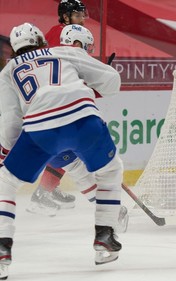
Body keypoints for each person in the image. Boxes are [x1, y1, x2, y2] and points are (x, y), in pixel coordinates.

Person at [0, 22, 123, 278]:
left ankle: (2, 249)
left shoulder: (8, 71)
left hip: (40, 130)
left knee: (6, 183)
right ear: (42, 41)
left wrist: (8, 153)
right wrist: (88, 85)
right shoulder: (63, 51)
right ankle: (105, 237)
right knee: (110, 170)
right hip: (84, 120)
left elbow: (11, 120)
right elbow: (111, 82)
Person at [27, 0, 88, 213]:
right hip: (52, 100)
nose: (82, 19)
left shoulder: (71, 33)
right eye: (77, 15)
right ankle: (42, 193)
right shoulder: (58, 33)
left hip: (59, 99)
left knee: (66, 147)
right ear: (64, 16)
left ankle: (45, 191)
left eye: (82, 15)